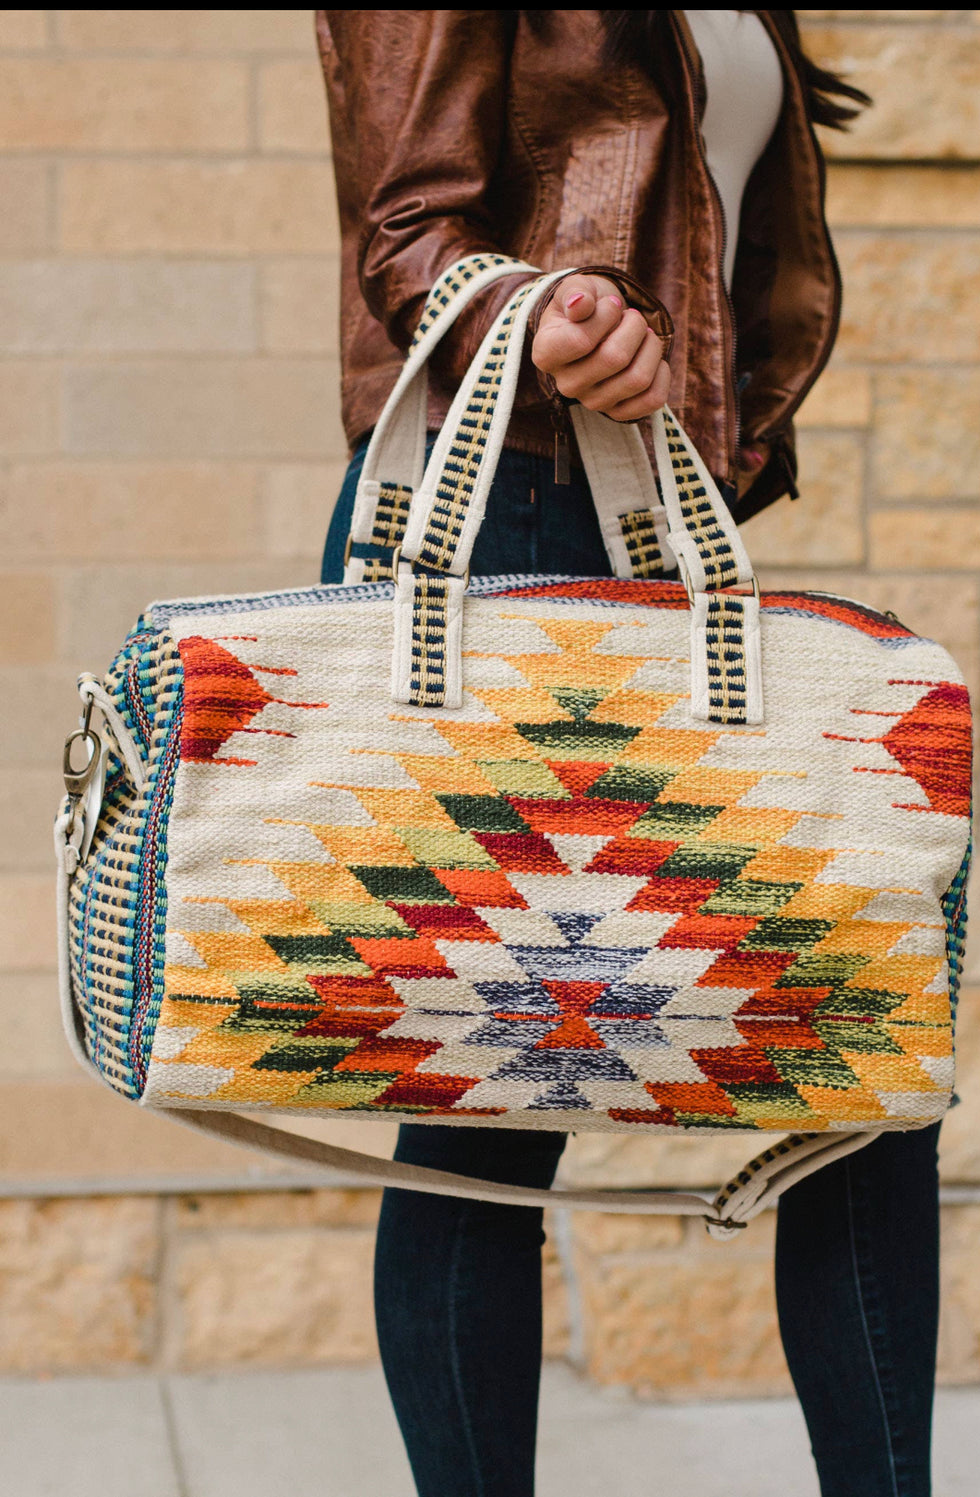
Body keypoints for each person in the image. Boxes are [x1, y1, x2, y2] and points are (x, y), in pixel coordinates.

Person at [317, 13, 939, 1497]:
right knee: (492, 1107)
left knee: (860, 1055)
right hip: (517, 522)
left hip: (662, 522)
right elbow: (408, 221)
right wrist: (534, 317)